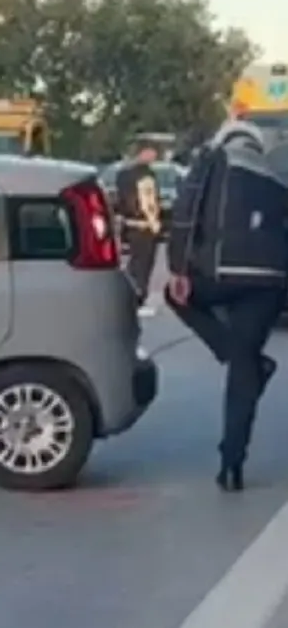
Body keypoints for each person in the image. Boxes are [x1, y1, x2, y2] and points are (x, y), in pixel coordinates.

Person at [165, 119, 287, 492]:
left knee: (175, 295)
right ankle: (231, 462)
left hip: (221, 273)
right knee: (244, 370)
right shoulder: (276, 173)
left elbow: (186, 212)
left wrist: (178, 267)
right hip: (270, 281)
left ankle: (234, 351)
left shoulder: (212, 159)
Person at [116, 140, 163, 318]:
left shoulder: (123, 174)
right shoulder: (146, 175)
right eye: (152, 153)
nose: (154, 157)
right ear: (144, 153)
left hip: (129, 224)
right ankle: (139, 295)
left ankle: (129, 294)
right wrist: (154, 223)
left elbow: (120, 201)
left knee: (133, 262)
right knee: (144, 263)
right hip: (144, 225)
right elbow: (147, 202)